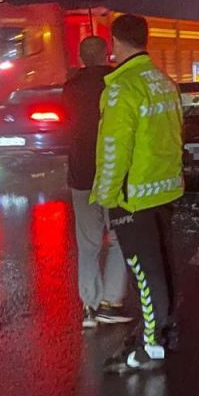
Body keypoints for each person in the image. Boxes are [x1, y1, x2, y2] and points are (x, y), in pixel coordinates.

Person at [91, 14, 185, 374]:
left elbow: (114, 147)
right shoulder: (162, 81)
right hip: (163, 189)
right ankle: (165, 329)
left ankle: (151, 344)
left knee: (145, 273)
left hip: (133, 196)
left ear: (115, 42)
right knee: (162, 265)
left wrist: (107, 194)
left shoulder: (122, 86)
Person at [63, 35, 132, 328]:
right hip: (114, 173)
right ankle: (111, 303)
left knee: (88, 243)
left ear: (81, 58)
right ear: (108, 55)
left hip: (81, 174)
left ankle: (89, 307)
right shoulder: (118, 83)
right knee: (119, 238)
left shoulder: (70, 88)